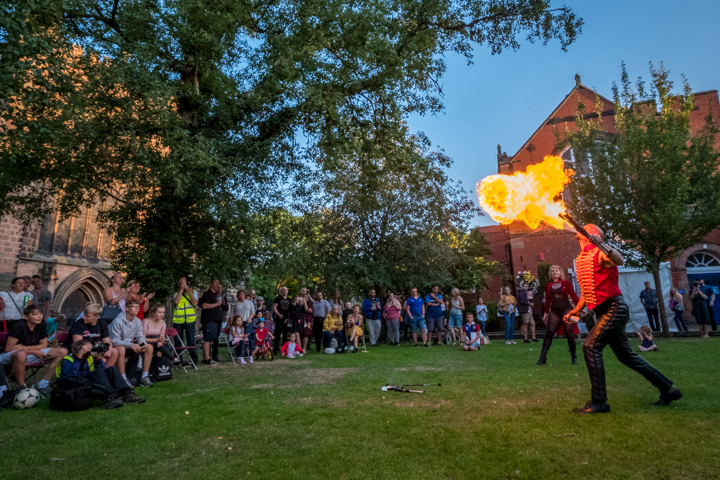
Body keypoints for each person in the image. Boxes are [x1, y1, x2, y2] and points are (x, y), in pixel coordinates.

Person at [564, 224, 680, 414]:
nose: (581, 228)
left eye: (587, 227)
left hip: (614, 308)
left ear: (593, 235)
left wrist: (602, 244)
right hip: (604, 311)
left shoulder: (600, 253)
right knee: (626, 356)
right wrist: (576, 310)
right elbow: (587, 290)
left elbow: (619, 259)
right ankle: (669, 389)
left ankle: (599, 402)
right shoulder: (583, 258)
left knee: (591, 346)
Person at [0, 305, 67, 398]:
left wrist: (26, 349)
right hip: (8, 355)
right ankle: (22, 388)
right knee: (21, 355)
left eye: (40, 314)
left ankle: (42, 385)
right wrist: (33, 351)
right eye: (35, 314)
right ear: (26, 317)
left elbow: (43, 345)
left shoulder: (42, 325)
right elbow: (8, 349)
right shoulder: (19, 327)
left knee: (63, 351)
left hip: (29, 352)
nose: (39, 316)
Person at [57, 339, 145, 409]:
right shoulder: (68, 360)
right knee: (98, 371)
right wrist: (80, 357)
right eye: (87, 349)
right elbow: (72, 374)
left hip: (88, 381)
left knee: (111, 369)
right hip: (75, 384)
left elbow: (102, 372)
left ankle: (126, 394)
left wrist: (98, 360)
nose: (89, 351)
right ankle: (109, 399)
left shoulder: (89, 358)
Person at [537, 265, 580, 365]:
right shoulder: (548, 285)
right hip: (555, 311)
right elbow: (548, 301)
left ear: (560, 273)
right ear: (550, 274)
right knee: (549, 333)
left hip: (566, 309)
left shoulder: (566, 283)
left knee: (569, 333)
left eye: (557, 271)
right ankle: (542, 358)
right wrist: (545, 313)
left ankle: (574, 357)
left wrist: (579, 308)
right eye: (553, 271)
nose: (555, 272)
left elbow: (573, 295)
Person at [110, 299, 154, 387]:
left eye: (138, 307)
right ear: (127, 308)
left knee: (149, 347)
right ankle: (124, 379)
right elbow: (114, 341)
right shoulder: (118, 321)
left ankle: (144, 377)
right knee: (121, 349)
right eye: (134, 307)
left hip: (131, 345)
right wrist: (131, 345)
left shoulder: (137, 321)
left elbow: (140, 335)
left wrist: (142, 343)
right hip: (117, 346)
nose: (137, 309)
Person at [63, 303, 119, 367]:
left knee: (114, 351)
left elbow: (107, 340)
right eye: (84, 315)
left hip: (93, 346)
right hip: (77, 348)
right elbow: (78, 344)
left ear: (96, 316)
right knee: (86, 350)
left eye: (87, 316)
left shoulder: (102, 323)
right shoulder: (79, 324)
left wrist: (109, 347)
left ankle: (105, 373)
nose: (84, 317)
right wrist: (97, 352)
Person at [199, 279, 228, 364]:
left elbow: (225, 307)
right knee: (208, 339)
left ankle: (206, 358)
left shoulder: (218, 296)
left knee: (213, 338)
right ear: (211, 284)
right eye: (216, 283)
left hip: (217, 320)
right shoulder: (207, 294)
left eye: (219, 283)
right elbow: (204, 306)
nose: (218, 285)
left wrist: (221, 302)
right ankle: (207, 358)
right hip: (209, 319)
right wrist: (217, 304)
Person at [173, 276, 198, 365]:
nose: (183, 285)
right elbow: (176, 302)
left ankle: (193, 360)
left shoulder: (194, 292)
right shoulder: (176, 293)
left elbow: (195, 303)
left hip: (190, 320)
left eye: (184, 283)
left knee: (191, 340)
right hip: (178, 320)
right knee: (178, 341)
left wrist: (189, 292)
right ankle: (178, 360)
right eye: (181, 283)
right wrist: (181, 290)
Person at [235, 290, 256, 364]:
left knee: (248, 339)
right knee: (239, 339)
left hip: (247, 322)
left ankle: (250, 355)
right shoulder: (236, 303)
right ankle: (239, 356)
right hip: (238, 323)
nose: (241, 296)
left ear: (244, 295)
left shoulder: (249, 302)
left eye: (242, 294)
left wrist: (250, 317)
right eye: (239, 295)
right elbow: (232, 315)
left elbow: (253, 312)